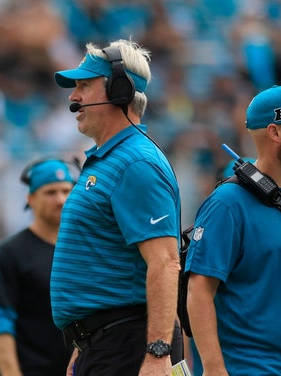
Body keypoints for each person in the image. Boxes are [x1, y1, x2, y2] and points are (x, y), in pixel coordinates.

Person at [185, 84, 281, 375]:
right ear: (275, 132)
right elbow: (199, 290)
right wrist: (214, 369)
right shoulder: (227, 204)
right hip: (253, 369)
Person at [50, 39, 183, 376]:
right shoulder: (112, 159)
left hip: (131, 344)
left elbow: (165, 262)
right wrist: (84, 343)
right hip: (108, 342)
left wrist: (157, 353)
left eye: (83, 85)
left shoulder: (135, 162)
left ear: (120, 90)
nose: (73, 97)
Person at [0, 158, 77, 376]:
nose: (61, 199)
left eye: (66, 191)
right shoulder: (9, 253)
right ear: (31, 198)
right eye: (50, 192)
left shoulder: (82, 251)